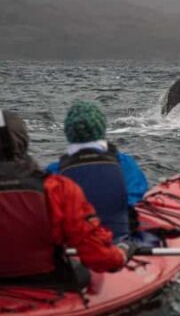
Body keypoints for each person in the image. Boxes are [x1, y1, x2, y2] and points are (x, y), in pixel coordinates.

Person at [0, 110, 134, 285]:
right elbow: (97, 254)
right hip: (48, 284)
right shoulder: (59, 189)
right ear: (25, 142)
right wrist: (122, 252)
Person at [46, 101, 148, 240]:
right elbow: (136, 196)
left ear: (68, 132)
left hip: (74, 247)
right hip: (118, 241)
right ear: (102, 129)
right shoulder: (125, 164)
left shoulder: (54, 171)